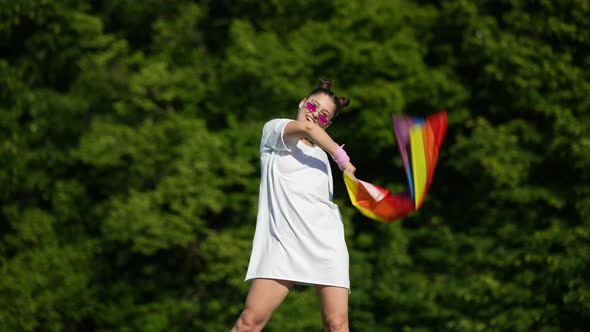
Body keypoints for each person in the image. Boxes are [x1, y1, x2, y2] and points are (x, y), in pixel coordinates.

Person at [232, 80, 356, 332]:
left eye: (323, 116)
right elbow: (306, 128)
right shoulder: (275, 131)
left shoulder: (320, 157)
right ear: (302, 102)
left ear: (328, 125)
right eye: (312, 105)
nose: (314, 114)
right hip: (284, 244)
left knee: (337, 324)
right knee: (249, 322)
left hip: (326, 245)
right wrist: (342, 158)